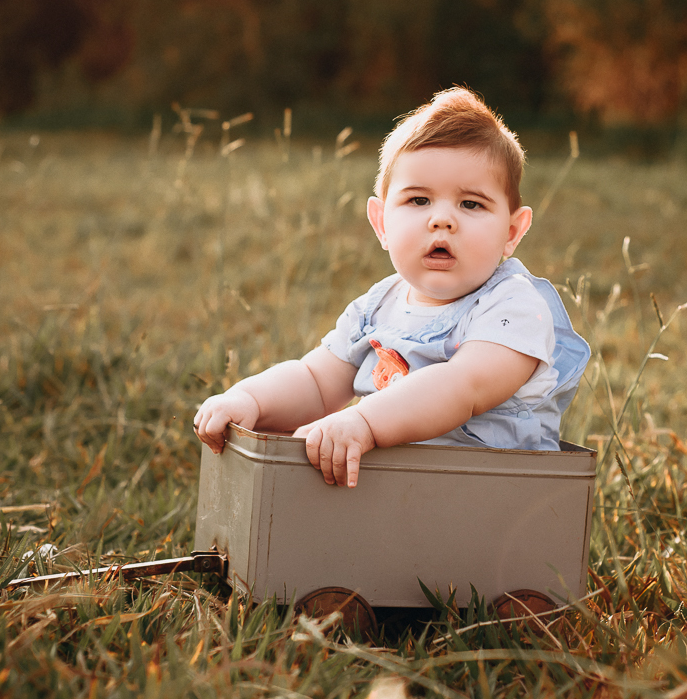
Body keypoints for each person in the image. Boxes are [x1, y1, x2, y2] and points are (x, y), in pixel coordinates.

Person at [194, 88, 590, 488]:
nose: (442, 220)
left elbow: (460, 387)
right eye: (419, 200)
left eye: (471, 204)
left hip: (494, 501)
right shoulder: (376, 307)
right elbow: (315, 379)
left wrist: (363, 420)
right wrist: (250, 400)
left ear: (511, 231)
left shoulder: (514, 306)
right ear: (381, 223)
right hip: (402, 498)